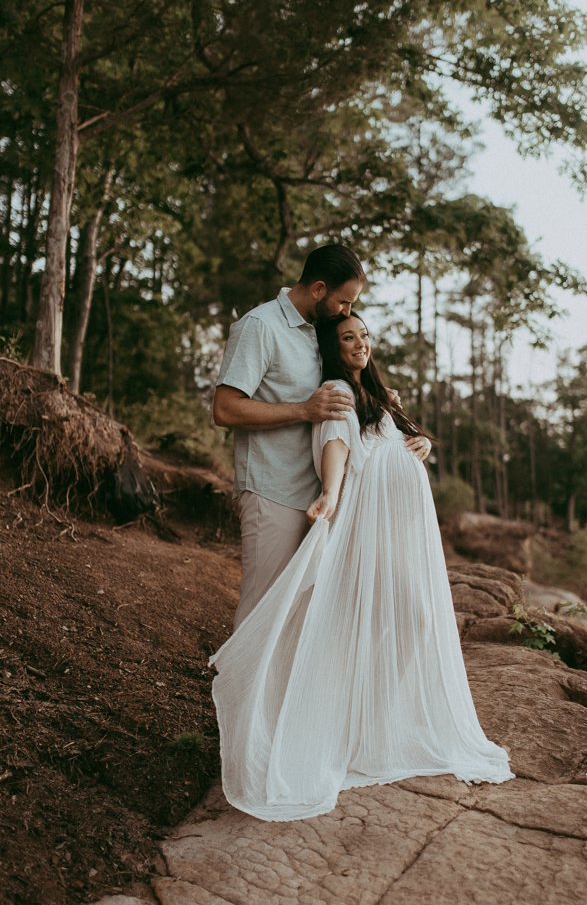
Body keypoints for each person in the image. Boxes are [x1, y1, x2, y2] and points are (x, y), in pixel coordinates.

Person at [209, 311, 514, 821]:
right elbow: (336, 441)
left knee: (412, 617)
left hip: (391, 532)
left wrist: (420, 443)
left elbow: (392, 442)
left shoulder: (378, 395)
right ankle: (328, 728)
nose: (360, 344)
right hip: (361, 530)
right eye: (348, 337)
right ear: (333, 346)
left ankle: (363, 724)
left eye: (365, 335)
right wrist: (329, 491)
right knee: (374, 622)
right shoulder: (336, 391)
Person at [212, 244, 364, 631]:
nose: (347, 312)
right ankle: (237, 692)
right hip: (271, 491)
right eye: (344, 302)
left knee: (295, 619)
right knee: (261, 613)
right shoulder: (260, 326)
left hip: (315, 498)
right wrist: (302, 409)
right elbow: (225, 409)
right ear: (318, 289)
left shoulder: (319, 333)